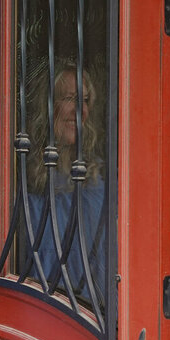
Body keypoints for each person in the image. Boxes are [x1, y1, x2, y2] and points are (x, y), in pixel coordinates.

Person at [25, 62, 106, 307]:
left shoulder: (100, 179)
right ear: (48, 106)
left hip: (93, 316)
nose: (79, 110)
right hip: (39, 310)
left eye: (86, 100)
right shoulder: (22, 178)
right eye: (70, 98)